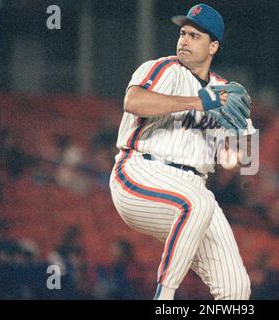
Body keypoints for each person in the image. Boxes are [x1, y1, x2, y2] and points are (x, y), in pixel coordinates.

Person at [109, 3, 256, 300]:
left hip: (193, 185)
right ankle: (164, 299)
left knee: (237, 289)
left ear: (213, 46)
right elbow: (133, 101)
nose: (184, 40)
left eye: (194, 36)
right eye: (183, 33)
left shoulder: (225, 90)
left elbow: (242, 158)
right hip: (140, 171)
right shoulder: (164, 68)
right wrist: (199, 102)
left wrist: (237, 135)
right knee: (198, 203)